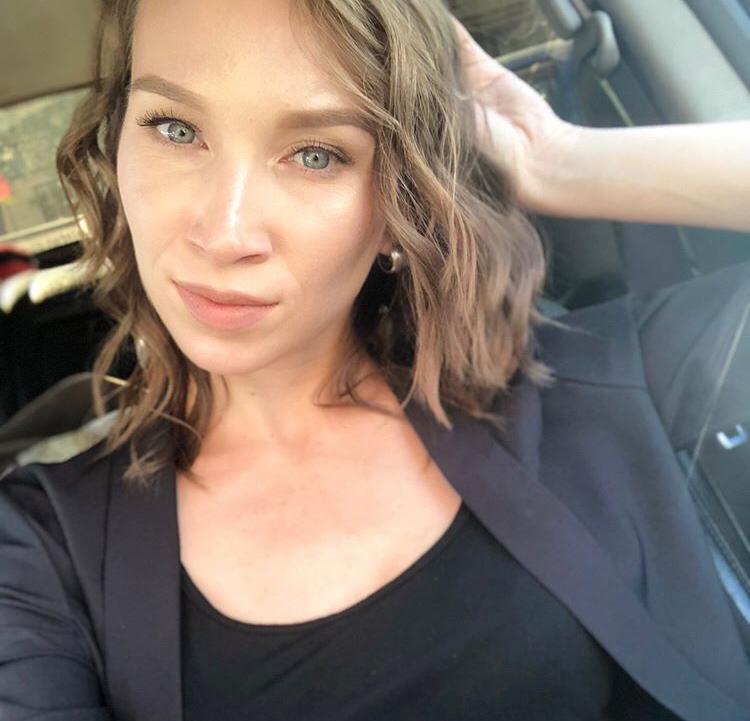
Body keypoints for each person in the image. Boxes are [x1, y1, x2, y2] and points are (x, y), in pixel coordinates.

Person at [1, 0, 749, 719]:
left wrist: (558, 160)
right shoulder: (39, 552)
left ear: (399, 200)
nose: (224, 234)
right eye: (175, 129)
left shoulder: (594, 387)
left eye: (316, 154)